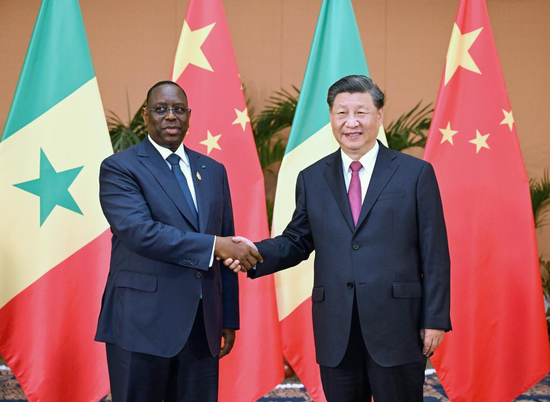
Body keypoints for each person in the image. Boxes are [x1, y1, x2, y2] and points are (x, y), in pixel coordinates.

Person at [229, 75, 451, 401]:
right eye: (341, 113)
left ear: (379, 116)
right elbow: (296, 241)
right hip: (337, 328)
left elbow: (435, 253)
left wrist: (435, 319)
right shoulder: (313, 177)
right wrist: (253, 252)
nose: (351, 122)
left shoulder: (415, 174)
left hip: (398, 325)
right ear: (331, 118)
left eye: (361, 112)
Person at [95, 81, 261, 402]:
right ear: (146, 116)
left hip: (202, 327)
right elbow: (140, 233)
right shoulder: (120, 168)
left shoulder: (213, 170)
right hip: (140, 325)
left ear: (189, 116)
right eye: (161, 109)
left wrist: (227, 318)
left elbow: (226, 241)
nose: (171, 116)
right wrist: (215, 245)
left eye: (178, 110)